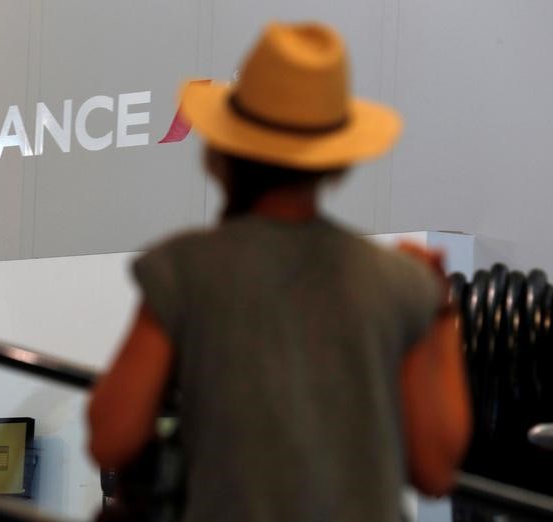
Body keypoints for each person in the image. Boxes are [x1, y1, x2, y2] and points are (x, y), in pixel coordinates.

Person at [89, 22, 471, 522]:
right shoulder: (397, 283)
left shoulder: (186, 269)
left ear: (224, 150)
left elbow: (111, 436)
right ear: (335, 162)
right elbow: (436, 471)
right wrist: (440, 310)